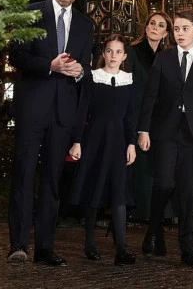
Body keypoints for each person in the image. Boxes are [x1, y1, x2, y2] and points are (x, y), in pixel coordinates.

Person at [7, 0, 94, 266]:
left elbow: (86, 69)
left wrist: (80, 71)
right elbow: (16, 55)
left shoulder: (85, 24)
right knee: (24, 175)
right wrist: (50, 66)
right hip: (32, 108)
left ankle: (45, 247)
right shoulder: (31, 12)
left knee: (53, 181)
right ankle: (18, 245)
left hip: (62, 113)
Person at [138, 10, 193, 268]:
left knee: (188, 191)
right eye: (176, 29)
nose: (180, 33)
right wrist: (143, 130)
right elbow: (150, 96)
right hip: (165, 131)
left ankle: (187, 249)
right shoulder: (163, 58)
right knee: (163, 184)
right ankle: (154, 231)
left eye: (185, 28)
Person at [68, 34, 137, 266]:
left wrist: (131, 143)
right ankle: (90, 243)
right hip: (95, 140)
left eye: (118, 52)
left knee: (119, 193)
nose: (113, 56)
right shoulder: (93, 78)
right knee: (94, 190)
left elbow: (131, 116)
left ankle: (122, 249)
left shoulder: (129, 80)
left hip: (119, 143)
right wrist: (77, 141)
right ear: (103, 54)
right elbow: (82, 111)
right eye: (109, 51)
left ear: (124, 56)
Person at [126, 12, 174, 222]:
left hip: (161, 119)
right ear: (146, 28)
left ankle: (160, 212)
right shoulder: (132, 52)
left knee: (158, 165)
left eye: (161, 25)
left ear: (166, 33)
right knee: (140, 164)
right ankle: (139, 211)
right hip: (136, 114)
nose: (155, 27)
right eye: (152, 23)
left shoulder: (168, 56)